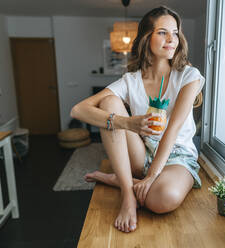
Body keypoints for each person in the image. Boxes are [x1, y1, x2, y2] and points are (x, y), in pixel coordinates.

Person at [70, 6, 205, 233]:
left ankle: (117, 179)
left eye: (175, 32)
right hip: (142, 153)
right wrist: (129, 123)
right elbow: (78, 110)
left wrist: (152, 176)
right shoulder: (130, 80)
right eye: (163, 32)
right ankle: (127, 193)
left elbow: (172, 131)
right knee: (109, 104)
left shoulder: (189, 76)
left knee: (164, 198)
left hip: (177, 155)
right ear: (146, 38)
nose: (172, 39)